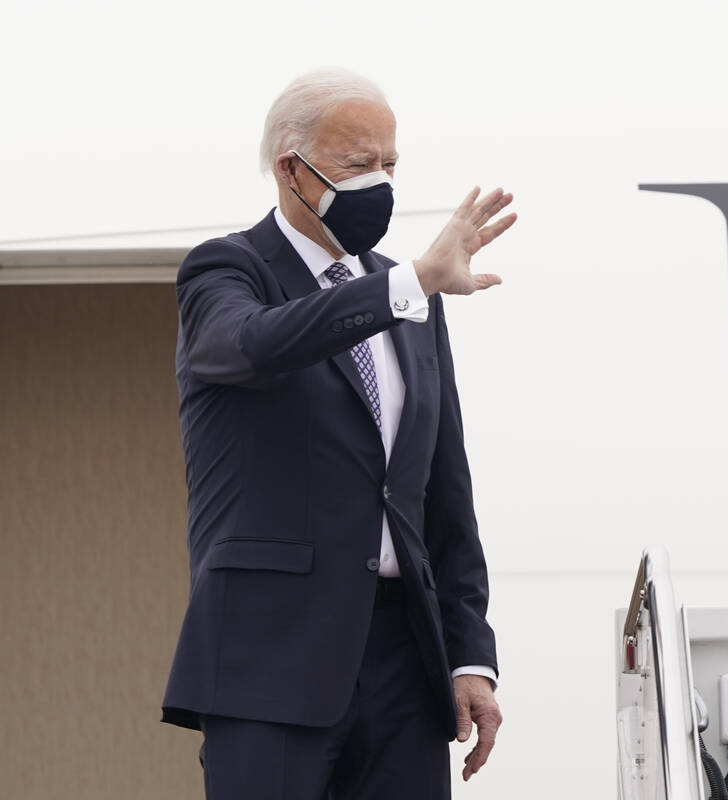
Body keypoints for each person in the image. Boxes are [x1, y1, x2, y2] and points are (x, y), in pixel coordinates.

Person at [160, 68, 513, 800]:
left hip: (402, 665)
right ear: (292, 169)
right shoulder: (228, 270)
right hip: (270, 658)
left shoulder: (411, 296)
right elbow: (255, 345)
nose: (379, 182)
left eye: (390, 164)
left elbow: (442, 493)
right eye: (358, 165)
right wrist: (407, 284)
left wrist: (469, 658)